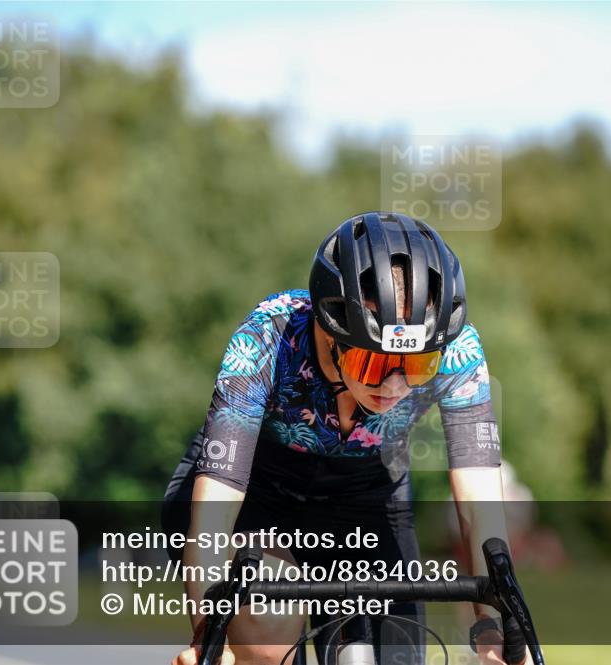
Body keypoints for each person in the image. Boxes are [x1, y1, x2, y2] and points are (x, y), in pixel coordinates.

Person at [165, 212, 525, 665]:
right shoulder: (268, 338)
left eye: (416, 367)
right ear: (329, 329)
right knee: (270, 623)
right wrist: (206, 636)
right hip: (257, 495)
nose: (395, 386)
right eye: (375, 364)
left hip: (366, 497)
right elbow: (214, 518)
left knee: (395, 653)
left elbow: (478, 507)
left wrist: (493, 624)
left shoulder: (457, 350)